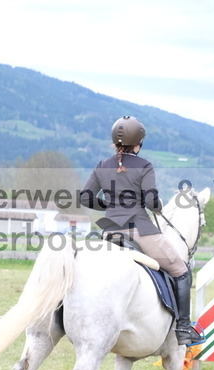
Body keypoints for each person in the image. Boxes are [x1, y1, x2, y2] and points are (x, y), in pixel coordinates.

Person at [80, 115, 204, 346]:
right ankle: (184, 329)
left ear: (114, 141)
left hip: (110, 232)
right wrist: (157, 205)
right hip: (139, 229)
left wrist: (110, 205)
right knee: (181, 270)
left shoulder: (102, 165)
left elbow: (85, 198)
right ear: (138, 143)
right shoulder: (144, 166)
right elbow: (150, 201)